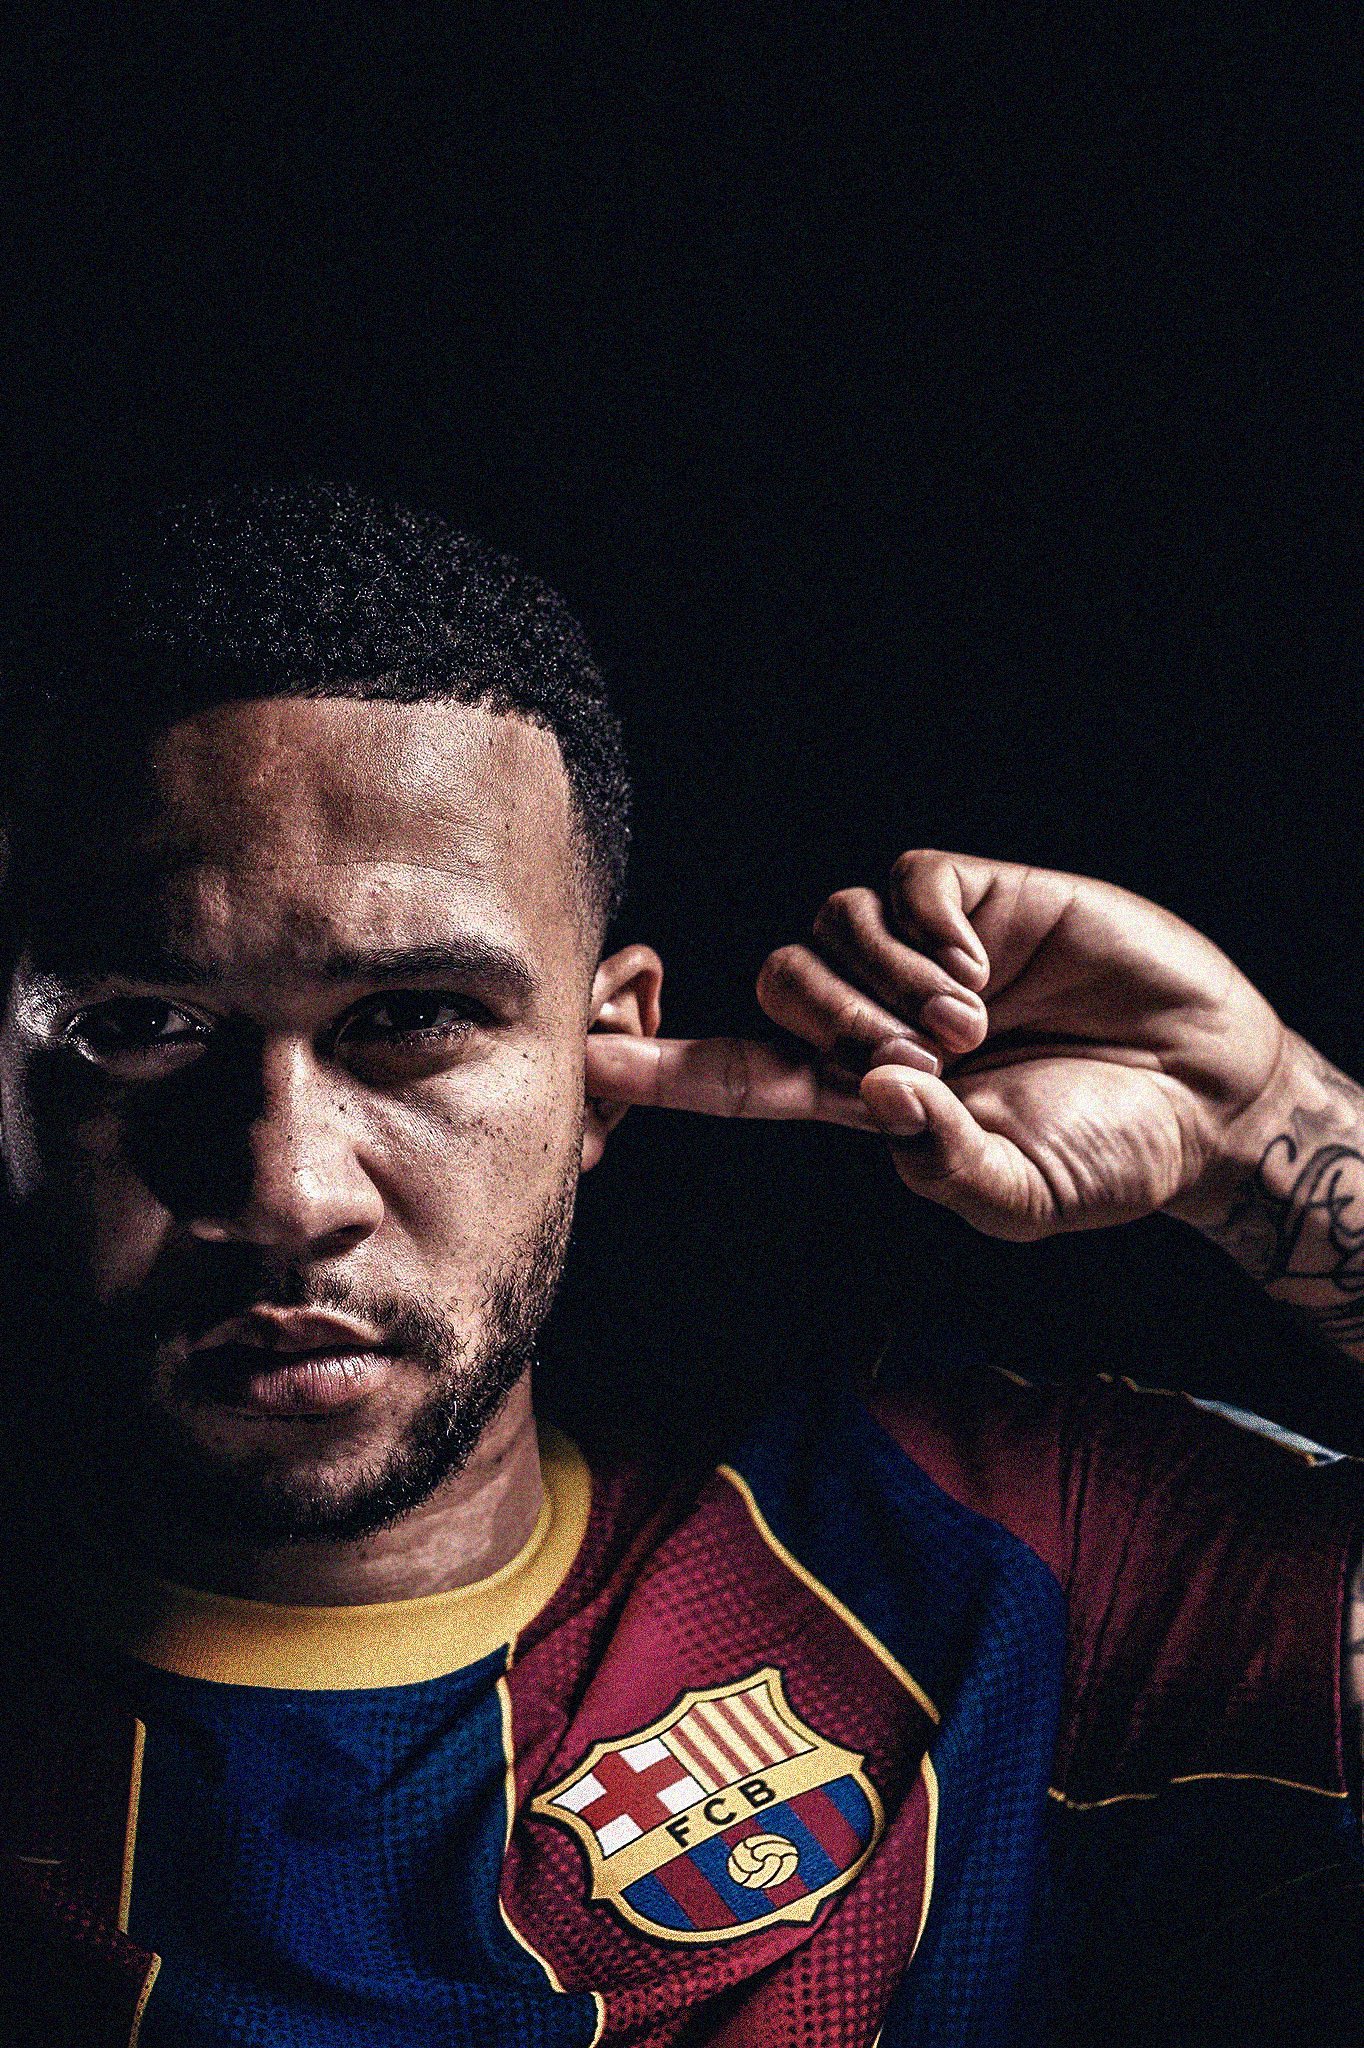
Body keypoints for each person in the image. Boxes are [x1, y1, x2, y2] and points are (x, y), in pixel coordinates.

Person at [2, 483, 1361, 2048]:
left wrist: (1274, 1136)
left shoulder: (971, 1562)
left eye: (415, 1019)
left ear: (604, 1060)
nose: (288, 1191)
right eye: (143, 1027)